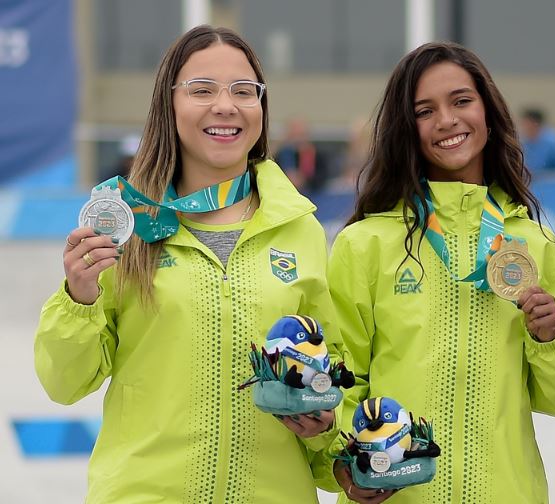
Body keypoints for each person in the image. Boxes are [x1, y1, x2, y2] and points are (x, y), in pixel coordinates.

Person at [34, 26, 343, 503]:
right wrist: (79, 296)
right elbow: (64, 383)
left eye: (244, 91)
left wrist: (325, 425)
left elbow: (332, 374)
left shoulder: (300, 229)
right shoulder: (126, 224)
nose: (226, 105)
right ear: (169, 103)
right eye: (202, 90)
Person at [326, 42, 555, 504]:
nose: (447, 120)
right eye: (425, 111)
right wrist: (354, 467)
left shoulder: (534, 244)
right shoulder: (364, 244)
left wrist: (548, 339)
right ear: (406, 129)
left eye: (461, 101)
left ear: (488, 113)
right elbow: (344, 382)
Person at [275, 116, 330, 193]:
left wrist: (304, 180)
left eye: (300, 134)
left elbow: (323, 177)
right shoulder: (281, 155)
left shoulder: (317, 155)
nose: (297, 138)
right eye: (294, 134)